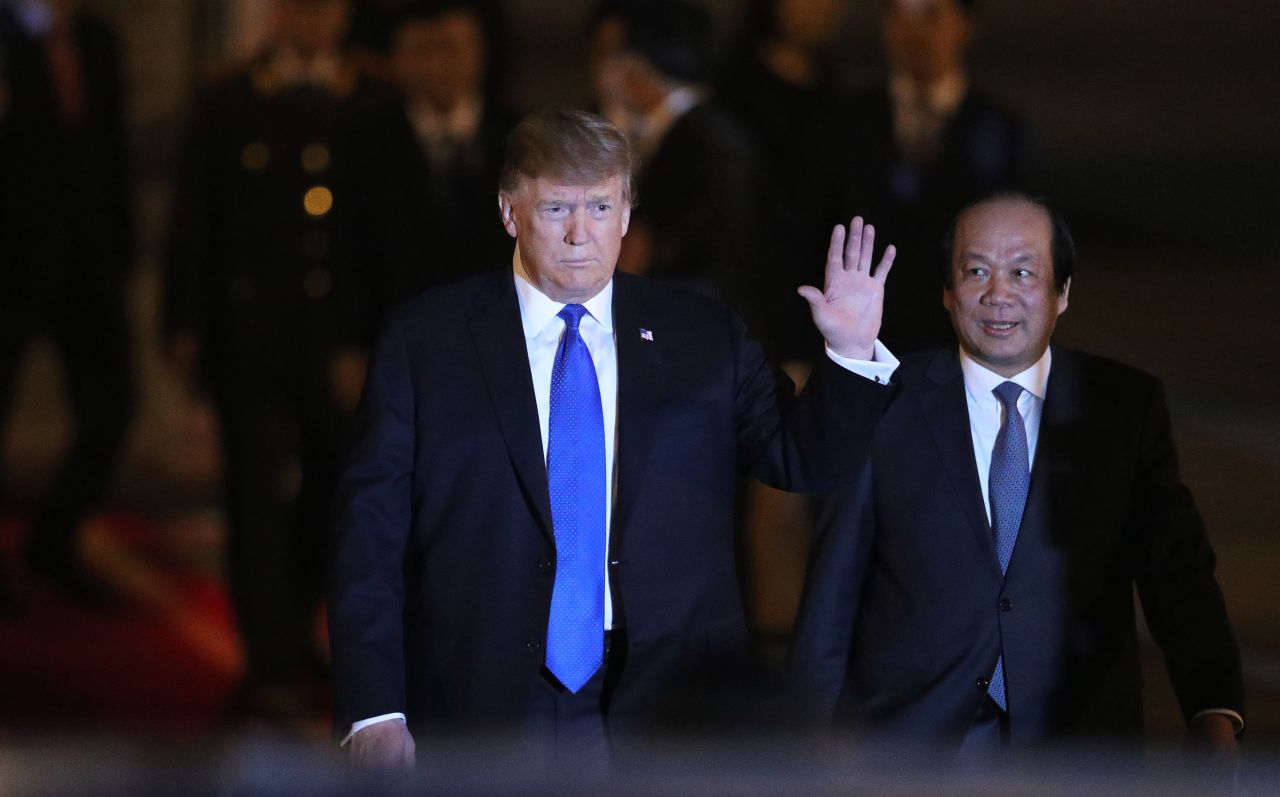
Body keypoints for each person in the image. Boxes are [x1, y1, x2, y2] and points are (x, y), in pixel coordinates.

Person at [329, 108, 899, 766]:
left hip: (668, 699)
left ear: (628, 213)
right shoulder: (426, 342)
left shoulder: (700, 334)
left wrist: (853, 354)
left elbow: (802, 457)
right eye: (555, 209)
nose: (580, 234)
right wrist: (374, 705)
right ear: (510, 212)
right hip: (484, 694)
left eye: (600, 207)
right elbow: (368, 533)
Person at [789, 192, 1244, 755]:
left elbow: (1177, 574)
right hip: (905, 747)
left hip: (1075, 745)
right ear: (947, 291)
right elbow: (832, 591)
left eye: (1023, 272)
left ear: (1063, 293)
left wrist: (1213, 707)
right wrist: (807, 749)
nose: (998, 294)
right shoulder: (885, 398)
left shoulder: (1123, 407)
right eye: (976, 270)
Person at [164, 0, 378, 720]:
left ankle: (296, 619)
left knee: (331, 488)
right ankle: (268, 652)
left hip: (337, 341)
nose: (314, 20)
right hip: (248, 333)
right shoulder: (229, 99)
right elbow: (196, 218)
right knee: (252, 493)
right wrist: (184, 321)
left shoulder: (369, 99)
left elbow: (377, 232)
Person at [802, 0, 1036, 355]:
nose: (914, 33)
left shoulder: (1002, 131)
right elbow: (808, 237)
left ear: (965, 24)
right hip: (857, 349)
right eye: (898, 16)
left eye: (931, 15)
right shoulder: (842, 123)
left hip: (964, 349)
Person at [0, 0, 136, 605]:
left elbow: (110, 146)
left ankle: (54, 540)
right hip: (11, 261)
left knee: (112, 403)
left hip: (88, 261)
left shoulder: (96, 38)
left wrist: (121, 246)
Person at [335, 0, 519, 348]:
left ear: (480, 50)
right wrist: (348, 345)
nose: (437, 66)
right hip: (393, 344)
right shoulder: (362, 142)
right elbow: (346, 253)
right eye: (421, 51)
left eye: (450, 49)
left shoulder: (520, 139)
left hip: (498, 346)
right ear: (396, 58)